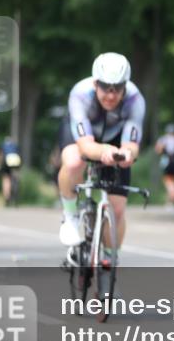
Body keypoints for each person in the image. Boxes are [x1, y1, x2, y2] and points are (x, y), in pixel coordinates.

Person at [56, 52, 145, 272]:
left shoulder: (135, 99)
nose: (111, 95)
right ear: (96, 83)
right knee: (75, 162)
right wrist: (103, 150)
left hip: (115, 138)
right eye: (105, 87)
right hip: (83, 134)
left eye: (118, 87)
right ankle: (70, 215)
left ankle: (109, 258)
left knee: (118, 209)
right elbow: (86, 145)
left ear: (126, 85)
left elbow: (132, 144)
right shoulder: (80, 94)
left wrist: (127, 154)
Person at [154, 123, 174, 206]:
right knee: (172, 179)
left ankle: (173, 192)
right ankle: (170, 201)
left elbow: (158, 150)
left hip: (166, 161)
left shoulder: (163, 139)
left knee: (167, 180)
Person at [0, 136, 22, 204]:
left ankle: (7, 196)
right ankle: (16, 182)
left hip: (7, 161)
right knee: (15, 173)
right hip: (16, 161)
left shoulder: (3, 145)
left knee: (6, 178)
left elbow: (0, 155)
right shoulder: (15, 146)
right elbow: (19, 155)